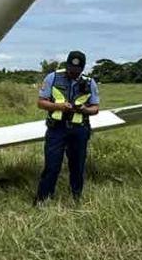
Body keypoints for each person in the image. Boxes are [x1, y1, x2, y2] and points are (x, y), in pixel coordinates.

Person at [34, 50, 99, 204]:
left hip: (79, 130)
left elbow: (95, 108)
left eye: (77, 71)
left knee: (77, 165)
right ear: (66, 65)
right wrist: (60, 106)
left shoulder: (90, 82)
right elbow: (41, 102)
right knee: (52, 165)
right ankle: (43, 199)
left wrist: (84, 109)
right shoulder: (53, 78)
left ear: (82, 69)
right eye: (70, 70)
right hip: (57, 129)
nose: (73, 73)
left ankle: (76, 198)